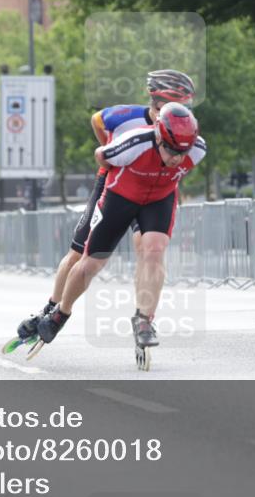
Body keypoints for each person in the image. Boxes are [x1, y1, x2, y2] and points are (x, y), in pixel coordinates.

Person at [25, 102, 206, 367]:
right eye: (170, 150)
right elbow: (101, 155)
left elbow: (179, 156)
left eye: (182, 152)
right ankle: (60, 314)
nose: (177, 158)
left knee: (154, 250)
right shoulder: (134, 142)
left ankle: (144, 321)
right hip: (120, 197)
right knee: (91, 262)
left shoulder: (198, 149)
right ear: (158, 136)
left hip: (159, 199)